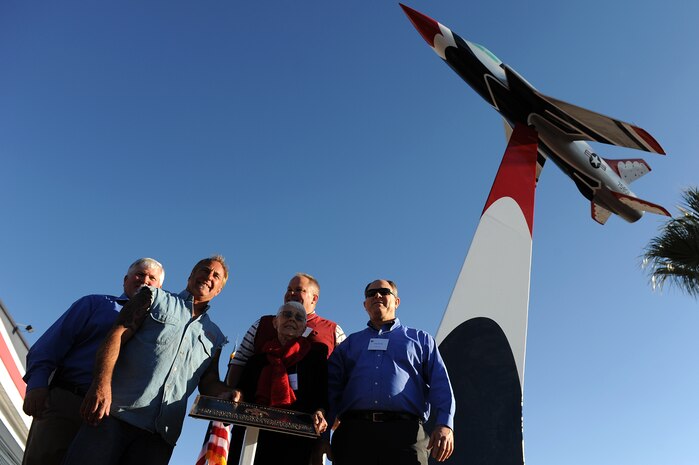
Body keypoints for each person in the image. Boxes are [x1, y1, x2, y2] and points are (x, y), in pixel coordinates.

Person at [63, 255, 240, 465]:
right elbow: (116, 336)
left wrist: (226, 394)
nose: (208, 276)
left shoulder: (215, 337)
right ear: (191, 275)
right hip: (113, 415)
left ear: (218, 289)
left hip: (159, 436)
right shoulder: (153, 297)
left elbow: (208, 381)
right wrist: (100, 385)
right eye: (204, 270)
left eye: (216, 275)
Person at [21, 258, 165, 465]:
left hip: (110, 420)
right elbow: (50, 344)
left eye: (152, 278)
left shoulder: (156, 327)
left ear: (159, 288)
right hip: (67, 402)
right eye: (140, 274)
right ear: (125, 280)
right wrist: (37, 385)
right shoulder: (95, 304)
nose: (145, 280)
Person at [328, 279, 456, 465]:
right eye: (371, 294)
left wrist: (445, 424)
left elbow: (440, 383)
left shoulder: (421, 340)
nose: (377, 296)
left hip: (406, 435)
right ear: (365, 305)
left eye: (383, 292)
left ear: (396, 301)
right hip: (354, 436)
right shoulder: (348, 345)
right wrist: (323, 437)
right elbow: (331, 389)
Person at [231, 301, 328, 465]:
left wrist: (320, 411)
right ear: (275, 323)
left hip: (295, 441)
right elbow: (242, 391)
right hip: (252, 438)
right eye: (287, 315)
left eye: (298, 317)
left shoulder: (314, 359)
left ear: (304, 328)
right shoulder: (257, 360)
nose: (292, 320)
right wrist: (237, 395)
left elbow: (322, 394)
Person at [226, 273, 345, 387]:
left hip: (310, 405)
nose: (291, 293)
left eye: (298, 290)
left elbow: (345, 370)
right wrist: (231, 393)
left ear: (314, 298)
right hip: (257, 402)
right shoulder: (262, 324)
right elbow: (239, 362)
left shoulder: (333, 330)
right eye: (289, 289)